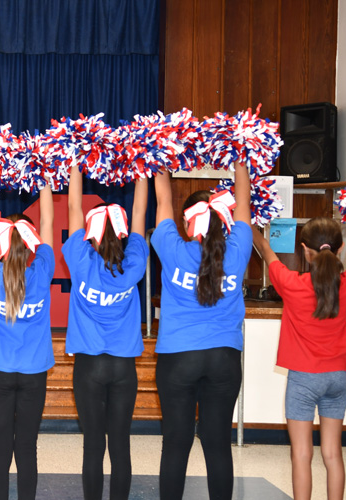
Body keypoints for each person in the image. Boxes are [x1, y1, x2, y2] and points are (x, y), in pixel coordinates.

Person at [151, 162, 251, 500]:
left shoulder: (173, 249)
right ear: (224, 220)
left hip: (178, 360)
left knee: (176, 444)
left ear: (188, 221)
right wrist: (241, 161)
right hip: (224, 360)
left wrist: (156, 153)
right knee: (218, 443)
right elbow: (245, 201)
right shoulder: (237, 250)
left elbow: (162, 199)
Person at [252, 219, 346, 500]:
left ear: (304, 250)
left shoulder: (291, 284)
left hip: (303, 379)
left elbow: (266, 250)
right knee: (333, 454)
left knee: (301, 454)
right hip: (338, 378)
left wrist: (249, 222)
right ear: (337, 250)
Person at [65, 164, 149, 500]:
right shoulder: (136, 261)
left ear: (92, 233)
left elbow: (73, 207)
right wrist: (143, 165)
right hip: (123, 368)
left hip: (89, 367)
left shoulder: (79, 259)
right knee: (120, 444)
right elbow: (141, 210)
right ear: (123, 232)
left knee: (93, 445)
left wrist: (73, 163)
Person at [0, 175, 55, 500]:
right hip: (34, 374)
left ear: (1, 241)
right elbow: (49, 218)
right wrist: (45, 176)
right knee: (27, 445)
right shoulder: (44, 269)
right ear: (32, 241)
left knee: (1, 442)